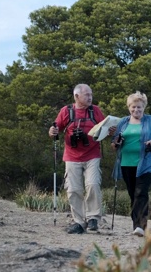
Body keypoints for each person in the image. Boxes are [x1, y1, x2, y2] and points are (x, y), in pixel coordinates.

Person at [48, 84, 112, 234]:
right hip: (71, 156)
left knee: (93, 184)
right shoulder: (66, 111)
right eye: (86, 95)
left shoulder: (95, 111)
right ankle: (78, 222)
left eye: (91, 94)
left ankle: (93, 218)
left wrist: (110, 131)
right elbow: (54, 132)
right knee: (73, 189)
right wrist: (52, 131)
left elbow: (105, 129)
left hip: (92, 154)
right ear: (76, 96)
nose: (90, 97)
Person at [111, 91, 151, 237]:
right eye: (133, 107)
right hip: (126, 163)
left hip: (146, 163)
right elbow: (114, 144)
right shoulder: (123, 122)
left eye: (139, 107)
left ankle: (140, 226)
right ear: (129, 107)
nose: (136, 110)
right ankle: (137, 224)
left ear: (144, 107)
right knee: (132, 194)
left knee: (141, 193)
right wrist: (116, 142)